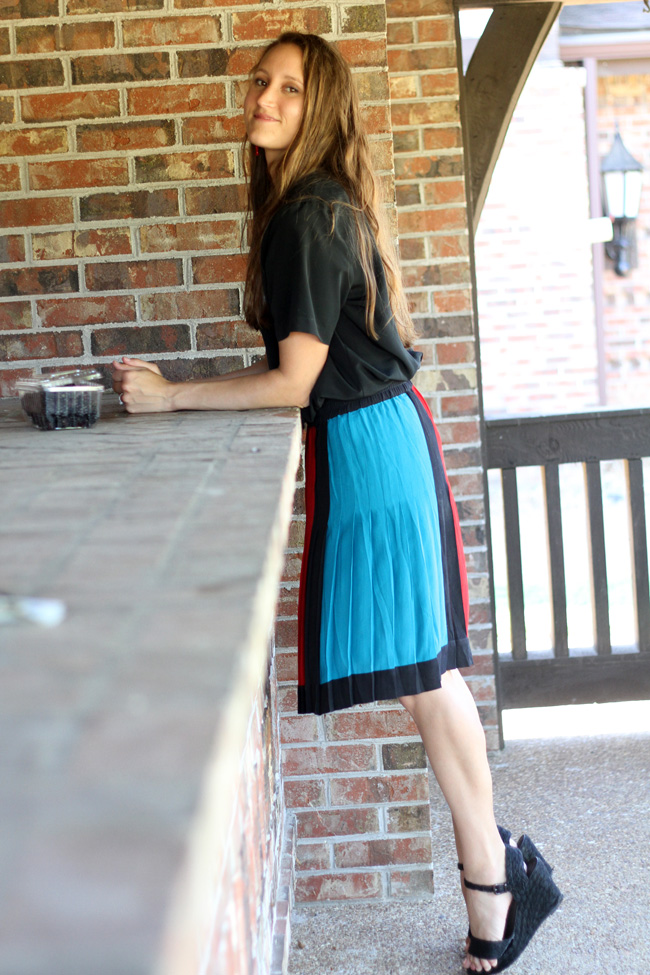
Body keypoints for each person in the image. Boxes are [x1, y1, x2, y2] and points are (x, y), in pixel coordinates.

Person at [111, 32, 562, 973]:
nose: (264, 98)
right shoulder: (311, 205)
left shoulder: (309, 214)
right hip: (373, 440)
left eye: (288, 88)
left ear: (319, 109)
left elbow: (294, 379)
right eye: (261, 82)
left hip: (373, 447)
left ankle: (497, 878)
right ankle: (499, 869)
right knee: (425, 673)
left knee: (426, 674)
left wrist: (169, 396)